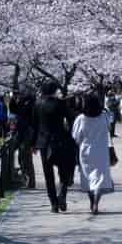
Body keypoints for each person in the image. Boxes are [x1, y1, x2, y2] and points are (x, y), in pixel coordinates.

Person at [70, 91, 116, 213]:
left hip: (85, 151)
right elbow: (109, 129)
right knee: (99, 177)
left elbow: (76, 136)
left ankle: (92, 202)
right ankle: (96, 202)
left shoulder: (81, 118)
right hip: (101, 151)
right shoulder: (104, 116)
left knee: (88, 177)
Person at [35, 82, 77, 213]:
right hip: (60, 140)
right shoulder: (60, 103)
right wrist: (69, 133)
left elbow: (34, 124)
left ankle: (53, 203)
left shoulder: (37, 104)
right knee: (64, 170)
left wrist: (33, 143)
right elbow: (71, 119)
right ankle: (62, 194)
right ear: (54, 91)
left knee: (48, 174)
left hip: (43, 142)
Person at [12, 88, 39, 189]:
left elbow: (16, 110)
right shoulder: (27, 104)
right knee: (24, 159)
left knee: (25, 158)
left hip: (26, 134)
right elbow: (14, 109)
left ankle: (29, 181)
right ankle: (29, 181)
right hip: (25, 134)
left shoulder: (28, 106)